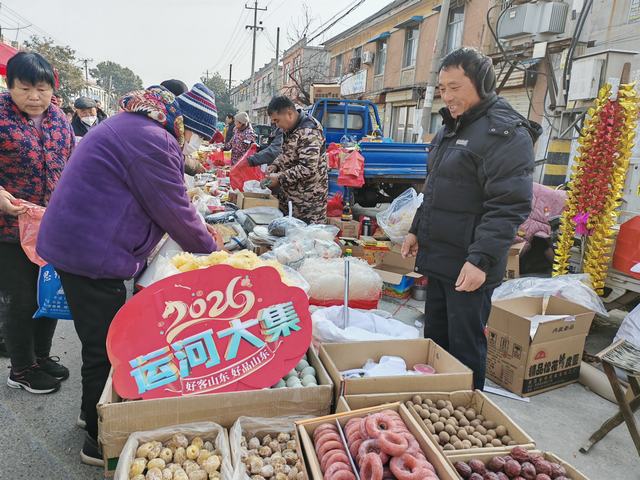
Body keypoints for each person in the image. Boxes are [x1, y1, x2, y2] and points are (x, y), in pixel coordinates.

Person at [37, 83, 219, 466]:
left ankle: (89, 413)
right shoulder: (153, 140)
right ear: (185, 124)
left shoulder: (137, 126)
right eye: (199, 136)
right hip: (90, 252)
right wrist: (215, 252)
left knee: (98, 340)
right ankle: (97, 440)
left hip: (79, 242)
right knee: (107, 347)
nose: (196, 145)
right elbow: (174, 209)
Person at [401, 47, 540, 390]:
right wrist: (416, 229)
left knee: (464, 348)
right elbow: (435, 188)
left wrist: (480, 260)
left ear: (481, 84)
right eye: (442, 88)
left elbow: (508, 205)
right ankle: (434, 404)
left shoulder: (504, 133)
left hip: (470, 264)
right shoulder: (450, 128)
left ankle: (466, 408)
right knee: (435, 342)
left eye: (455, 87)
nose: (447, 96)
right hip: (440, 257)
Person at [0, 52, 74, 394]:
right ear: (10, 85)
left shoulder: (59, 120)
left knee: (50, 294)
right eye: (25, 88)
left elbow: (72, 166)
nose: (34, 97)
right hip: (9, 229)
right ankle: (22, 368)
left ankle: (41, 357)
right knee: (22, 299)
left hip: (52, 228)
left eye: (42, 89)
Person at [263, 96, 328, 224]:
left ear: (289, 114)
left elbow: (307, 168)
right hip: (291, 198)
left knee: (304, 235)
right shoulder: (291, 128)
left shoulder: (309, 131)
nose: (277, 125)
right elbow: (287, 153)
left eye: (277, 120)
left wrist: (279, 178)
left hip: (308, 203)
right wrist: (275, 165)